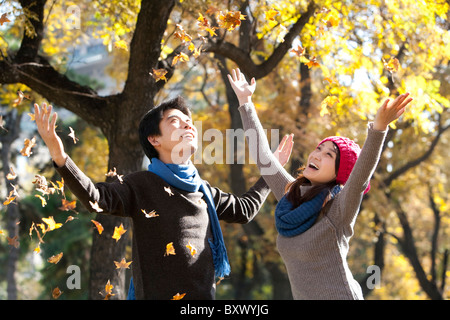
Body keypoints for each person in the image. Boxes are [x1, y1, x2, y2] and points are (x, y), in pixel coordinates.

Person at [33, 96, 292, 300]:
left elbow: (245, 210)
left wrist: (271, 170)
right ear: (154, 138)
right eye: (175, 121)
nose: (188, 124)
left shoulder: (203, 190)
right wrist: (59, 155)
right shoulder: (140, 185)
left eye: (189, 121)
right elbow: (96, 198)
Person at [228, 68, 413, 300]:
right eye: (318, 148)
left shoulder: (338, 211)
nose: (316, 155)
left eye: (329, 155)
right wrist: (245, 101)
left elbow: (359, 179)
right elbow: (263, 159)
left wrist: (378, 129)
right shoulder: (292, 197)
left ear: (339, 173)